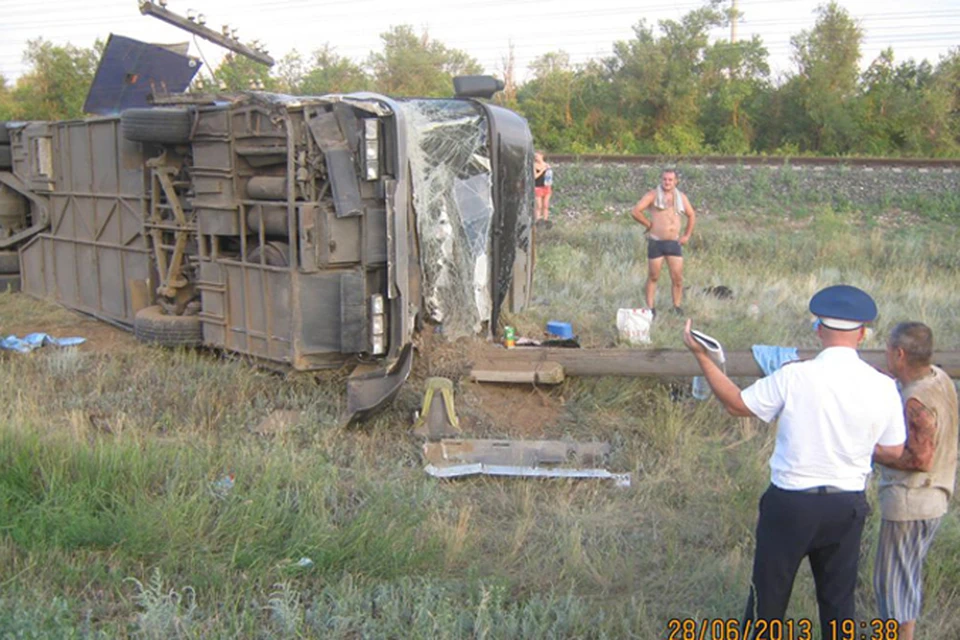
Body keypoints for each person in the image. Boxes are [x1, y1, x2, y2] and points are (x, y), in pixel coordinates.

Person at [681, 285, 906, 640]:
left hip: (790, 503)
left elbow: (737, 404)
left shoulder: (794, 376)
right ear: (862, 333)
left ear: (817, 329)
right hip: (846, 504)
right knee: (838, 607)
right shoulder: (882, 386)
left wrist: (703, 358)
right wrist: (856, 446)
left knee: (767, 602)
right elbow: (894, 450)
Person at [873, 322, 958, 640]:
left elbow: (920, 459)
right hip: (935, 497)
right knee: (907, 581)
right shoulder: (940, 377)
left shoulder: (915, 400)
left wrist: (871, 451)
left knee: (893, 588)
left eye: (887, 351)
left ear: (899, 353)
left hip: (910, 501)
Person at [631, 169, 696, 316]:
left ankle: (676, 307)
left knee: (677, 278)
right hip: (656, 242)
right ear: (661, 180)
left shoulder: (681, 197)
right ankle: (650, 308)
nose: (667, 182)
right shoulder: (653, 195)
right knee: (653, 276)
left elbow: (691, 215)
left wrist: (686, 235)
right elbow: (635, 211)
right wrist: (649, 224)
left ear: (675, 181)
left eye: (670, 180)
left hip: (674, 242)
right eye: (665, 179)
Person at [533, 152, 553, 226]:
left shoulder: (547, 165)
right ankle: (537, 220)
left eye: (537, 156)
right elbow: (535, 177)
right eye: (535, 156)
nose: (536, 157)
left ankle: (545, 220)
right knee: (539, 205)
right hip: (538, 187)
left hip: (546, 187)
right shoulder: (534, 165)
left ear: (542, 156)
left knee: (546, 205)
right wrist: (542, 170)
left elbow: (549, 176)